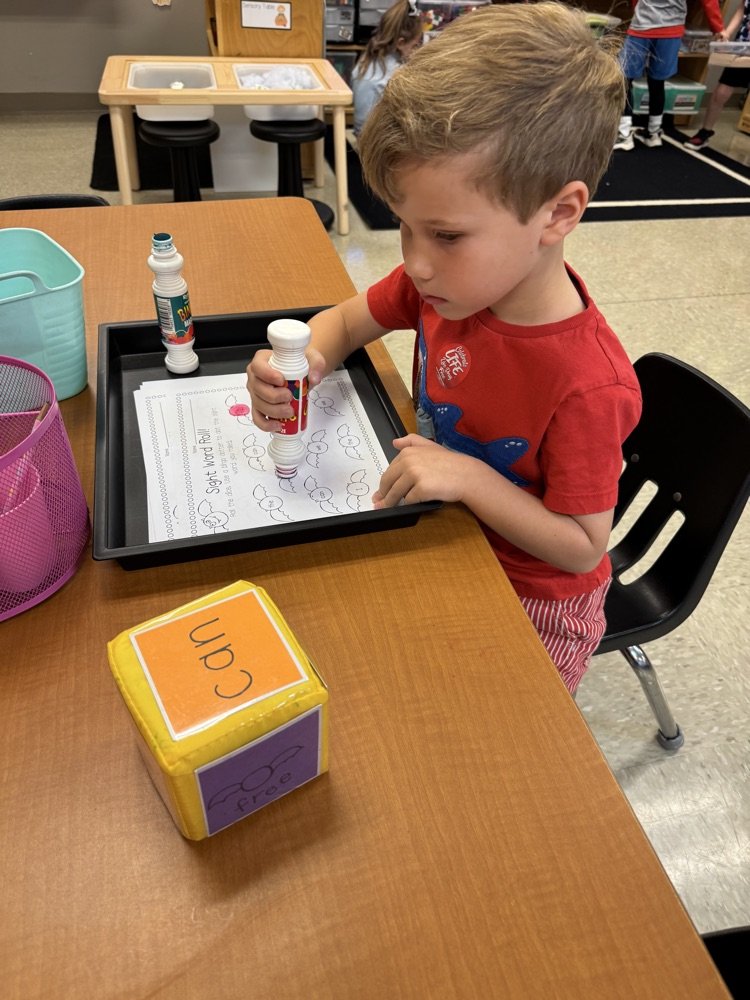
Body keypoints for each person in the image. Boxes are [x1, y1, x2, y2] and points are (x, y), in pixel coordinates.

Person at [247, 3, 642, 696]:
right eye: (405, 227)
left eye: (447, 235)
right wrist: (301, 364)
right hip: (439, 529)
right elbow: (344, 324)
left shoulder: (587, 383)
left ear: (558, 213)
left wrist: (470, 478)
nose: (416, 263)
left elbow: (582, 547)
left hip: (531, 598)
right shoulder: (443, 287)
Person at [614, 0, 726, 150]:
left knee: (624, 79)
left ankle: (624, 133)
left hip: (643, 27)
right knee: (656, 81)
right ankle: (653, 132)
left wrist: (637, 12)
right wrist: (718, 28)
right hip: (670, 30)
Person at [351, 0, 423, 135]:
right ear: (400, 43)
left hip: (359, 131)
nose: (416, 50)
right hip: (375, 138)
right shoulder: (395, 74)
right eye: (414, 45)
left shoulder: (366, 59)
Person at [685, 0, 750, 148]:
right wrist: (727, 33)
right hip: (744, 48)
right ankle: (705, 132)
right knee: (721, 92)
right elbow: (742, 9)